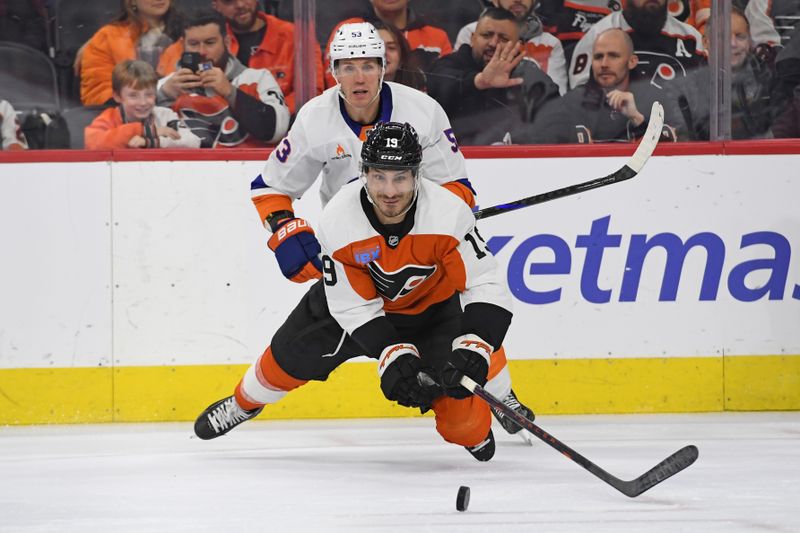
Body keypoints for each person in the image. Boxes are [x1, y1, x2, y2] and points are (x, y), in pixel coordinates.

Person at [198, 22, 534, 442]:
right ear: (333, 72)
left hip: (419, 258)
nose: (359, 76)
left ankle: (499, 395)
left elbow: (456, 187)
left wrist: (445, 217)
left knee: (464, 316)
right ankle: (244, 404)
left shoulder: (423, 111)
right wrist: (285, 232)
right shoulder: (316, 120)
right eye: (348, 66)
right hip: (352, 263)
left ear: (384, 66)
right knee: (291, 353)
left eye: (369, 65)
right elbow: (270, 188)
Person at [195, 122, 518, 462]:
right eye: (379, 176)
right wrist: (392, 353)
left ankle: (489, 406)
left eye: (400, 177)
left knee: (466, 422)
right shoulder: (339, 219)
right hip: (351, 309)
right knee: (286, 357)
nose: (390, 191)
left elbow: (485, 283)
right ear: (364, 173)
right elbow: (353, 308)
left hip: (433, 312)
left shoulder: (448, 213)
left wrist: (476, 346)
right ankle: (243, 404)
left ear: (417, 175)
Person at [157, 9, 290, 148]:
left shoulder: (258, 79)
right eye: (193, 44)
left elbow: (276, 132)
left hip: (245, 167)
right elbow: (139, 136)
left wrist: (231, 92)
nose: (202, 51)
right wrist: (162, 96)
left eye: (210, 42)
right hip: (182, 168)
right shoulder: (166, 86)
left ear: (226, 42)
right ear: (183, 45)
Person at [427, 7, 560, 145]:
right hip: (456, 159)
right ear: (473, 38)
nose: (493, 43)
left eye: (503, 38)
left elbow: (554, 118)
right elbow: (436, 85)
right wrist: (479, 81)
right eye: (486, 35)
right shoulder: (449, 64)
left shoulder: (528, 74)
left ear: (517, 45)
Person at [523, 28, 670, 143]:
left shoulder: (655, 101)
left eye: (613, 56)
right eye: (598, 57)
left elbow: (675, 154)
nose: (604, 64)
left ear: (632, 61)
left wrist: (637, 119)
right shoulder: (571, 103)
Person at [211, 0, 324, 114]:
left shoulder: (295, 36)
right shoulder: (207, 42)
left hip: (288, 125)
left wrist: (270, 115)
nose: (240, 5)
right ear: (215, 5)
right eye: (229, 1)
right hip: (226, 125)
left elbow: (311, 91)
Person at [568, 0, 707, 92]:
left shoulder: (691, 38)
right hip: (618, 133)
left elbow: (708, 98)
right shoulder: (599, 36)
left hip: (681, 133)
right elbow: (581, 98)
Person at [323, 0, 453, 87]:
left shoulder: (435, 36)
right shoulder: (348, 29)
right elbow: (335, 83)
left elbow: (445, 88)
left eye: (391, 47)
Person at [80, 0, 184, 106]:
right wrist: (160, 94)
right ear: (131, 1)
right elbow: (98, 94)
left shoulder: (191, 32)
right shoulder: (107, 38)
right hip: (125, 118)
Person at [455, 0, 568, 95]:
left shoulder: (550, 43)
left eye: (504, 38)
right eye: (487, 35)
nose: (518, 0)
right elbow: (455, 83)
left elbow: (558, 99)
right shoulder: (471, 32)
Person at [85, 60, 201, 149]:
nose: (143, 102)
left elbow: (193, 142)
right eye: (133, 96)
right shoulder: (109, 118)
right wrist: (145, 131)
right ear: (117, 96)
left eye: (149, 94)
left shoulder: (165, 115)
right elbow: (93, 143)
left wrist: (150, 141)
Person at [373, 20, 427, 92]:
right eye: (376, 47)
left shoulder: (416, 85)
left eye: (391, 48)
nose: (383, 52)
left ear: (402, 58)